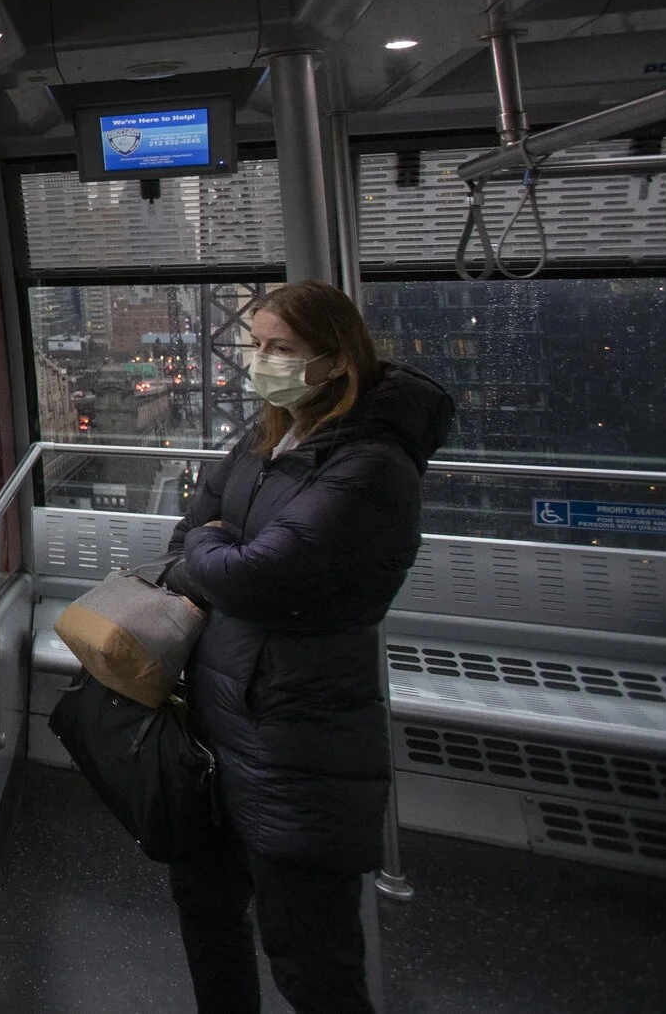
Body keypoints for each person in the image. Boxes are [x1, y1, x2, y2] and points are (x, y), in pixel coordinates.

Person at [161, 280, 451, 1013]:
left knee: (310, 953)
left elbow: (261, 576)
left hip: (298, 734)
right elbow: (185, 538)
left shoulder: (371, 465)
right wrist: (212, 549)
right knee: (208, 915)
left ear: (334, 357)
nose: (262, 361)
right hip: (217, 722)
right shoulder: (267, 437)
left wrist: (214, 551)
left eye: (280, 348)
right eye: (256, 345)